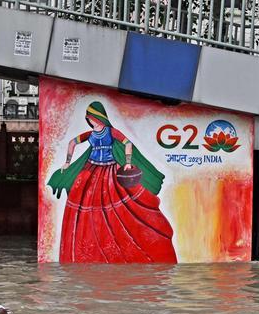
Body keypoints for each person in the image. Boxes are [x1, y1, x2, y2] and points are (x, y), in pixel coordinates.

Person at [46, 100, 177, 263]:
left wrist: (128, 162)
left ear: (99, 117)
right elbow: (72, 142)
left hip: (110, 171)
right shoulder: (89, 134)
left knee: (118, 207)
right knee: (87, 205)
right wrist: (67, 161)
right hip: (92, 169)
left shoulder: (111, 132)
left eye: (92, 117)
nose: (90, 120)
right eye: (88, 118)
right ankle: (92, 244)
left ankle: (116, 242)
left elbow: (127, 143)